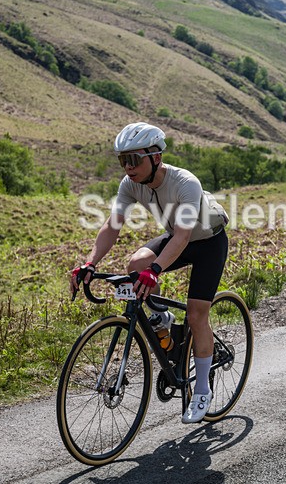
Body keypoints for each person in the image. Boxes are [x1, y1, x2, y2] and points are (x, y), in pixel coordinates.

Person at [70, 122, 229, 424]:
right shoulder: (130, 184)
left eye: (133, 159)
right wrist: (90, 263)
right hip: (179, 238)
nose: (127, 167)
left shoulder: (185, 183)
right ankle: (161, 317)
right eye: (122, 160)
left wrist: (156, 270)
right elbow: (112, 225)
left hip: (207, 242)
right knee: (135, 266)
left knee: (196, 316)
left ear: (155, 156)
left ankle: (203, 390)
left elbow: (182, 237)